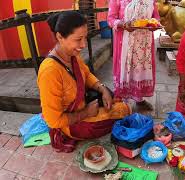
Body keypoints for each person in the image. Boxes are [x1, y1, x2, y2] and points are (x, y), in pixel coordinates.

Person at [38, 11, 131, 152]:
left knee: (115, 100)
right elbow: (53, 120)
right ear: (60, 37)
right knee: (124, 111)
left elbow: (86, 75)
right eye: (78, 39)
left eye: (85, 38)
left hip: (85, 106)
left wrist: (102, 88)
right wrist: (85, 113)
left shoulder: (72, 55)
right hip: (70, 123)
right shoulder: (50, 71)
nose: (83, 45)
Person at [108, 0, 160, 110]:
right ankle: (121, 100)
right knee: (125, 70)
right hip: (125, 44)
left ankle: (139, 99)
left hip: (144, 44)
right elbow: (110, 19)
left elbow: (156, 17)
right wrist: (123, 24)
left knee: (140, 70)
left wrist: (155, 24)